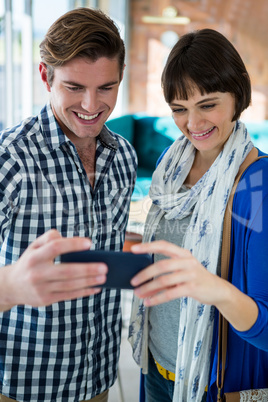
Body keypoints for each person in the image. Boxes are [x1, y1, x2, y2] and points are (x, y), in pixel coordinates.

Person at [0, 7, 137, 402]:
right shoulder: (12, 159)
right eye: (74, 87)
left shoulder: (123, 156)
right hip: (24, 387)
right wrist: (11, 285)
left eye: (106, 88)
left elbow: (104, 238)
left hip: (97, 379)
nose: (92, 106)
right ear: (45, 76)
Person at [128, 29, 268, 402]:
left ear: (238, 94)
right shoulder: (169, 165)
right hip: (156, 362)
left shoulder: (258, 185)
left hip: (210, 381)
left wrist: (211, 287)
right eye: (179, 109)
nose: (192, 124)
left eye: (207, 104)